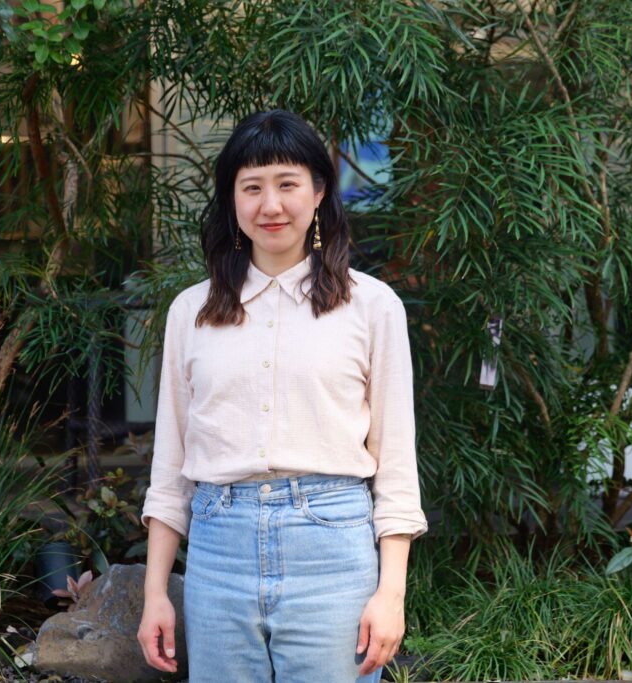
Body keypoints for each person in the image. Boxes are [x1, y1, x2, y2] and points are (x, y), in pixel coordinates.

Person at [137, 108, 428, 683]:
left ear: (319, 193)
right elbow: (170, 470)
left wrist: (391, 592)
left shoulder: (372, 307)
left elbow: (396, 465)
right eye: (252, 187)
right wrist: (155, 594)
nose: (270, 205)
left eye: (287, 184)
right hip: (217, 555)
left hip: (332, 552)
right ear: (232, 200)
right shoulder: (191, 312)